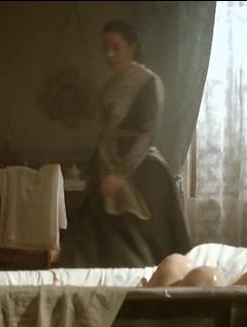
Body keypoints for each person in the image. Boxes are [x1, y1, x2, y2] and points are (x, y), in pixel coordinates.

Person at [59, 20, 191, 268]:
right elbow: (106, 132)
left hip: (141, 169)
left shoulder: (149, 82)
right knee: (94, 237)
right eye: (106, 49)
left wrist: (120, 174)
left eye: (116, 48)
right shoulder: (111, 84)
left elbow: (146, 133)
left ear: (132, 47)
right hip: (105, 164)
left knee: (137, 237)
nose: (110, 54)